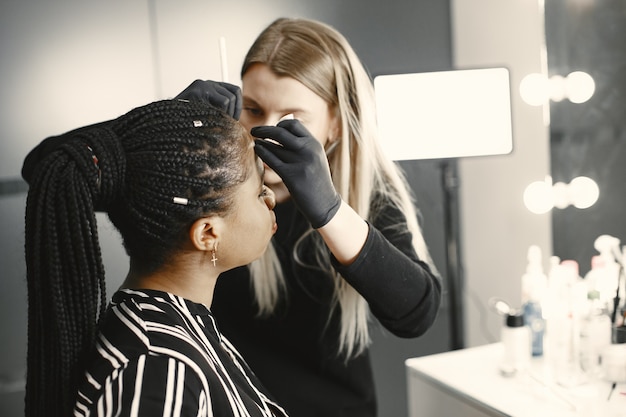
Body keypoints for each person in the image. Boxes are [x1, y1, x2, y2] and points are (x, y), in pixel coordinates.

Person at [178, 17, 442, 417]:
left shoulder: (368, 195)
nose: (266, 130)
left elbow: (417, 314)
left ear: (335, 122)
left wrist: (330, 211)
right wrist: (157, 126)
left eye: (291, 117)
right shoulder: (208, 184)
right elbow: (56, 171)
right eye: (253, 109)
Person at [22, 99, 288, 417]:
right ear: (207, 234)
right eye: (260, 191)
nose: (272, 198)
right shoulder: (158, 369)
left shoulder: (173, 325)